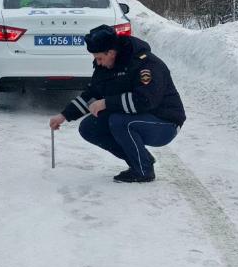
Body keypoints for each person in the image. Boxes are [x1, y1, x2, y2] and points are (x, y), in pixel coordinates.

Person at [48, 24, 186, 183]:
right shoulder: (106, 67)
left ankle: (143, 171)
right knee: (89, 127)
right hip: (137, 118)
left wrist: (106, 103)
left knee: (119, 121)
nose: (98, 63)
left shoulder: (146, 64)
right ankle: (141, 160)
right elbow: (92, 94)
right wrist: (64, 115)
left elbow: (145, 100)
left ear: (111, 52)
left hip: (164, 123)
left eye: (99, 58)